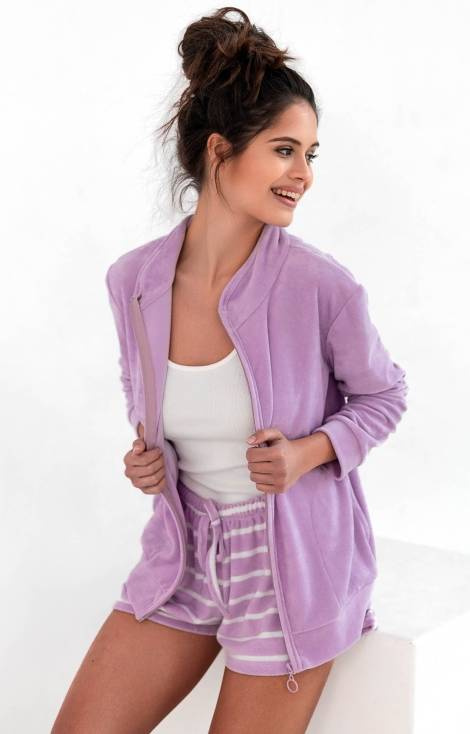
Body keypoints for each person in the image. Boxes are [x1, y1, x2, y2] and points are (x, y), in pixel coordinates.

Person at [51, 6, 408, 733]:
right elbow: (143, 393)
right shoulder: (135, 282)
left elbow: (384, 395)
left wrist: (308, 452)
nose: (303, 175)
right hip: (182, 555)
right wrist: (148, 458)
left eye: (310, 155)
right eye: (284, 150)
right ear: (221, 150)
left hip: (291, 569)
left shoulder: (321, 287)